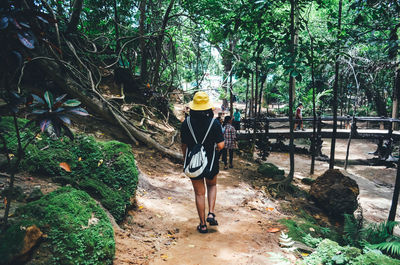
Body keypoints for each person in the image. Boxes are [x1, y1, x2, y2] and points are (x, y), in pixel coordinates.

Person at [181, 91, 225, 234]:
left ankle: (202, 225)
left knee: (199, 193)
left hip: (194, 163)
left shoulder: (186, 123)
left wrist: (185, 158)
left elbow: (184, 145)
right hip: (211, 161)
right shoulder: (215, 123)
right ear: (208, 107)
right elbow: (221, 145)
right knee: (212, 186)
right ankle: (211, 213)